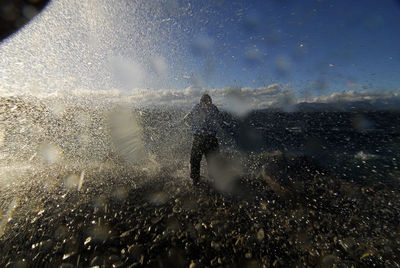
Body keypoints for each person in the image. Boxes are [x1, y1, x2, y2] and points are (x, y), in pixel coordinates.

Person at [182, 94, 223, 185]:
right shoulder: (212, 108)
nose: (206, 103)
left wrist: (193, 128)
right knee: (208, 161)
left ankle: (196, 181)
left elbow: (186, 119)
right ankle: (207, 181)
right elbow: (220, 120)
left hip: (201, 138)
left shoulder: (199, 108)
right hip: (207, 138)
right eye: (205, 101)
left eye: (207, 101)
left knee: (196, 161)